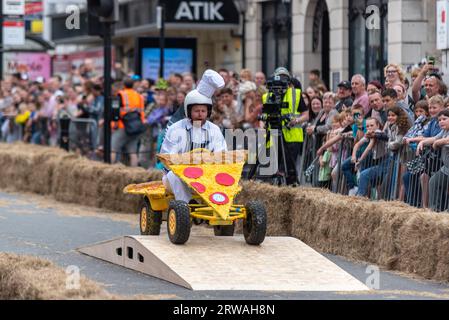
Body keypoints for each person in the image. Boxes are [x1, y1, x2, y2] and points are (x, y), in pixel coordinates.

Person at [160, 70, 227, 203]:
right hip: (178, 176)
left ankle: (220, 206)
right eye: (196, 111)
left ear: (208, 112)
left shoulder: (214, 130)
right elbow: (167, 157)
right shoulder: (176, 129)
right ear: (188, 111)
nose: (200, 114)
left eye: (203, 111)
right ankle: (185, 205)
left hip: (205, 174)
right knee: (174, 175)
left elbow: (221, 153)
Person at [263, 67, 308, 185]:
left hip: (292, 138)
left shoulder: (296, 94)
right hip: (273, 137)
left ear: (289, 81)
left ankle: (291, 187)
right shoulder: (267, 96)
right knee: (273, 169)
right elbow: (264, 114)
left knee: (289, 169)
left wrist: (296, 120)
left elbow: (306, 114)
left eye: (284, 79)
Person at [111, 77, 145, 167]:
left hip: (123, 126)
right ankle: (135, 171)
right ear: (133, 85)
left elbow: (116, 111)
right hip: (137, 126)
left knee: (113, 149)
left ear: (123, 85)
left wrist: (114, 124)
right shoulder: (139, 96)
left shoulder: (121, 94)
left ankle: (109, 168)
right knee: (133, 152)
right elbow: (142, 112)